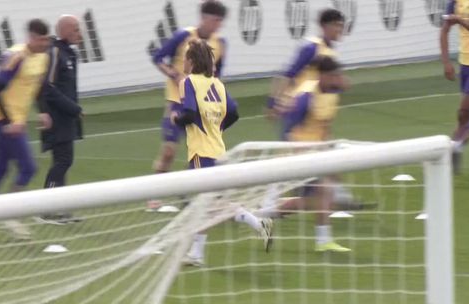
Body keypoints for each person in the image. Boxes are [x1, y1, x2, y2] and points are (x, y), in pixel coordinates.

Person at [172, 40, 273, 266]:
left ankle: (257, 223)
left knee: (207, 204)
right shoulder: (216, 84)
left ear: (191, 61)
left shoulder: (188, 82)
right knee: (209, 204)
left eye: (186, 59)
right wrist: (217, 128)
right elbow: (235, 113)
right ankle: (197, 254)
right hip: (219, 151)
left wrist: (176, 119)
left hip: (201, 153)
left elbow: (188, 113)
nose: (184, 63)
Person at [257, 56, 351, 253]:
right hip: (296, 157)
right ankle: (266, 215)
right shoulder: (305, 98)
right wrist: (299, 154)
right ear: (323, 76)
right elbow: (288, 130)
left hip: (315, 155)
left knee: (318, 197)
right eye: (334, 76)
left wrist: (330, 153)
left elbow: (325, 127)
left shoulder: (332, 95)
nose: (338, 79)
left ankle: (266, 214)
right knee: (322, 194)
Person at [148, 0, 227, 210]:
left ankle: (185, 189)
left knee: (201, 152)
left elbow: (217, 75)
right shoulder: (184, 36)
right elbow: (157, 57)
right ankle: (154, 194)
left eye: (220, 21)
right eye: (215, 20)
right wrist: (174, 74)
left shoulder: (221, 44)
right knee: (168, 151)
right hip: (176, 101)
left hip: (202, 106)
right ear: (204, 18)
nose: (217, 25)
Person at [0, 19, 52, 240]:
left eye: (46, 39)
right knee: (28, 167)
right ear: (30, 37)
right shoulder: (15, 56)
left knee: (0, 168)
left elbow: (37, 88)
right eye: (41, 39)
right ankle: (9, 213)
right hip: (3, 120)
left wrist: (42, 111)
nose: (44, 43)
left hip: (16, 121)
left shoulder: (43, 57)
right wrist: (10, 121)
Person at [37, 15, 84, 224]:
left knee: (64, 162)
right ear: (64, 30)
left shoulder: (68, 53)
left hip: (67, 117)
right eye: (75, 29)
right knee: (63, 161)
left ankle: (61, 209)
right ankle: (46, 209)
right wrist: (72, 108)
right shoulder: (55, 52)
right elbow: (47, 87)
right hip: (58, 118)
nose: (79, 33)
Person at [440, 0, 469, 181]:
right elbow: (444, 31)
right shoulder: (454, 2)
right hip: (465, 64)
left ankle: (456, 145)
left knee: (466, 110)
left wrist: (460, 20)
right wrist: (446, 62)